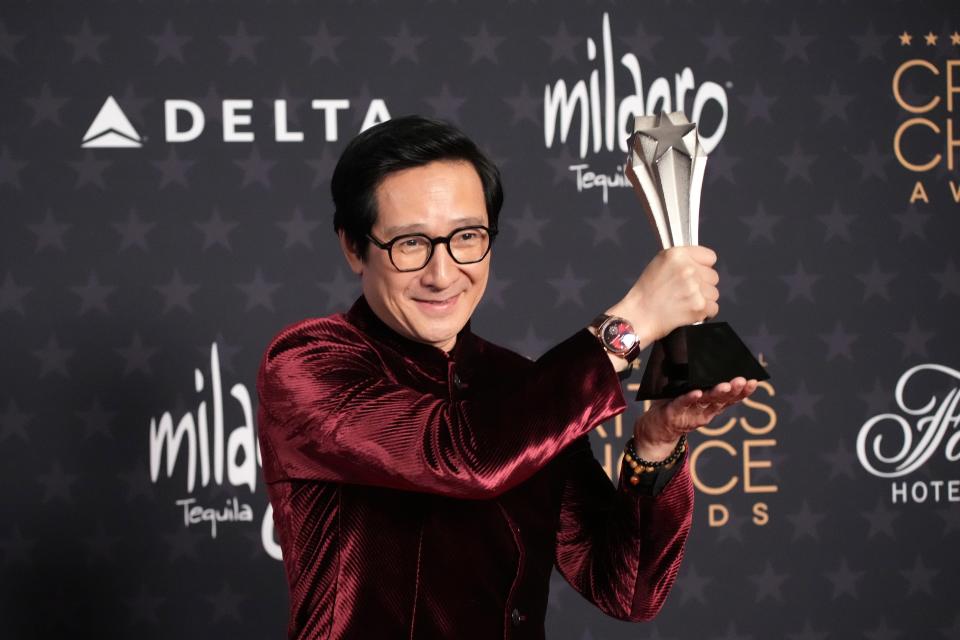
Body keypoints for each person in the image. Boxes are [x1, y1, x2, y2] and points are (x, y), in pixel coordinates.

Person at [256, 115, 758, 639]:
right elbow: (467, 457)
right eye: (410, 244)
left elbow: (624, 588)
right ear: (353, 247)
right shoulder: (307, 364)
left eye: (467, 237)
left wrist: (656, 444)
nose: (443, 273)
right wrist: (628, 325)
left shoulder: (525, 388)